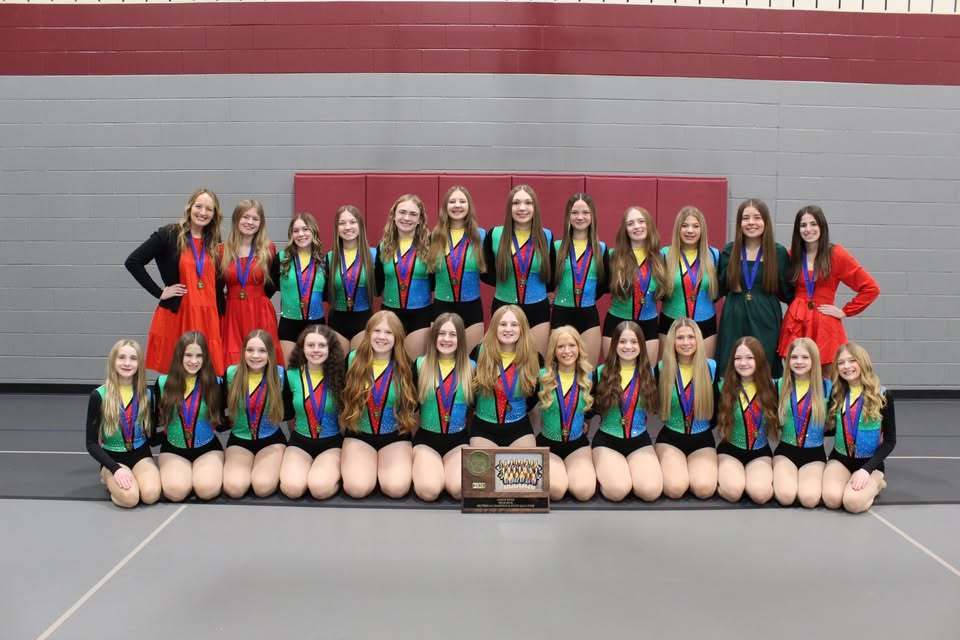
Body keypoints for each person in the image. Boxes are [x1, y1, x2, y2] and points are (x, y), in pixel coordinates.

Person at [125, 188, 225, 374]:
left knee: (206, 373)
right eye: (199, 206)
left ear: (215, 214)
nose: (203, 212)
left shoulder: (214, 240)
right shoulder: (169, 234)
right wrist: (160, 292)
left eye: (209, 209)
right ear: (189, 207)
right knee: (176, 372)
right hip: (180, 313)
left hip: (208, 316)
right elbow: (133, 262)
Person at [778, 205, 880, 371]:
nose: (808, 229)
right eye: (803, 225)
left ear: (822, 227)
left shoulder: (836, 254)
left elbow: (871, 288)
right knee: (795, 375)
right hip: (797, 321)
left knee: (827, 378)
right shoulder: (792, 256)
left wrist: (845, 311)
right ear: (797, 230)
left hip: (824, 323)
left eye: (813, 224)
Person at [340, 311, 418, 499]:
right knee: (356, 489)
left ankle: (382, 466)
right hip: (359, 435)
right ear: (368, 334)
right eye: (377, 331)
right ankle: (364, 466)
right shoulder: (352, 361)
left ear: (397, 337)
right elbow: (342, 401)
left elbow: (413, 409)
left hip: (394, 436)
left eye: (389, 333)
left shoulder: (407, 366)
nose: (382, 337)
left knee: (396, 489)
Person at [717, 199, 793, 377]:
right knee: (731, 366)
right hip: (734, 317)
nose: (751, 222)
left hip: (765, 317)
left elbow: (788, 293)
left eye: (757, 217)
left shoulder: (778, 253)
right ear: (739, 223)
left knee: (764, 366)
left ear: (765, 221)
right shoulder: (730, 250)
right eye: (746, 218)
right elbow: (719, 288)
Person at [591, 320, 662, 502]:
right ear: (614, 345)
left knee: (651, 492)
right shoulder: (599, 373)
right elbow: (586, 408)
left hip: (639, 440)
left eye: (633, 342)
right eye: (622, 342)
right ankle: (610, 472)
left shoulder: (653, 374)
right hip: (607, 440)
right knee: (617, 491)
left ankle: (630, 472)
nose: (628, 346)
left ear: (641, 345)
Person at [85, 339, 161, 508]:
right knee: (130, 499)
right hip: (113, 458)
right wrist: (114, 468)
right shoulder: (99, 395)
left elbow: (152, 438)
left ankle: (134, 477)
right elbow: (91, 443)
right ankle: (107, 477)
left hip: (141, 455)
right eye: (122, 358)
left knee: (151, 495)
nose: (127, 363)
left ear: (139, 363)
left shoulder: (148, 394)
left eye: (133, 358)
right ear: (113, 361)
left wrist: (174, 427)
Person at [822, 342, 896, 514]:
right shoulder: (837, 393)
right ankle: (848, 480)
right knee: (831, 500)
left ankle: (877, 483)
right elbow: (837, 428)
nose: (846, 366)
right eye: (841, 363)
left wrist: (866, 470)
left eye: (852, 360)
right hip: (840, 459)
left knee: (852, 503)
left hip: (869, 462)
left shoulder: (883, 395)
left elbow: (890, 441)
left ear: (862, 362)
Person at [482, 184, 555, 354]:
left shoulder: (546, 235)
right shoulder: (495, 234)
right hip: (503, 307)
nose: (522, 208)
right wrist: (508, 283)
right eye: (516, 203)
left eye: (528, 203)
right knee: (502, 362)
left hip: (538, 309)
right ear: (509, 207)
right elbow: (485, 272)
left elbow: (551, 275)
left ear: (535, 207)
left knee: (536, 364)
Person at [412, 313, 475, 501]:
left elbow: (477, 407)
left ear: (460, 339)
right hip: (426, 441)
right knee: (429, 491)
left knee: (459, 490)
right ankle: (432, 470)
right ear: (434, 337)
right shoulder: (420, 365)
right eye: (442, 333)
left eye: (453, 335)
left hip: (458, 442)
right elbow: (409, 406)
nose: (446, 339)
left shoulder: (472, 368)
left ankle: (448, 472)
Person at [156, 331, 225, 502]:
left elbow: (224, 418)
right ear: (180, 355)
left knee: (206, 490)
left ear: (205, 358)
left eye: (199, 356)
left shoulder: (215, 383)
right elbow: (152, 422)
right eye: (188, 355)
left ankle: (202, 473)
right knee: (175, 492)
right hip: (173, 449)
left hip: (207, 448)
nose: (193, 361)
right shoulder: (163, 383)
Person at [278, 325, 345, 500]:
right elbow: (288, 414)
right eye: (311, 345)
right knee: (292, 489)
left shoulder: (341, 376)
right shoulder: (290, 376)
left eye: (322, 346)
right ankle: (308, 469)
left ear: (331, 349)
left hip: (331, 442)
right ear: (302, 348)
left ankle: (333, 474)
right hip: (300, 441)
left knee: (319, 489)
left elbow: (347, 415)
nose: (316, 350)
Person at [222, 330, 291, 499]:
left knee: (262, 487)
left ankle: (264, 469)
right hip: (240, 440)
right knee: (234, 489)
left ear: (270, 354)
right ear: (243, 351)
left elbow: (289, 412)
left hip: (271, 441)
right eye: (250, 350)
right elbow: (219, 408)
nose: (255, 356)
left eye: (262, 351)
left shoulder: (280, 374)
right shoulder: (231, 374)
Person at [655, 318, 719, 499]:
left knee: (704, 489)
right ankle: (678, 470)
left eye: (691, 337)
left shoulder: (711, 367)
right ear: (672, 342)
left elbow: (720, 407)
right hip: (670, 438)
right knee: (675, 489)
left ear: (698, 340)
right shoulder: (661, 369)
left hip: (702, 439)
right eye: (680, 338)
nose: (686, 343)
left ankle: (693, 471)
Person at [536, 326, 596, 501]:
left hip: (577, 444)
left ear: (579, 348)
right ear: (553, 351)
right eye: (560, 346)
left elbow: (596, 407)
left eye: (572, 345)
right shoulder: (542, 376)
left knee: (584, 492)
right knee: (556, 490)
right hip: (548, 443)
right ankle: (559, 473)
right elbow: (527, 405)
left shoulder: (590, 376)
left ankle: (572, 471)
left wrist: (586, 421)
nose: (567, 351)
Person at [219, 199, 282, 366]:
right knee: (233, 363)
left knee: (262, 359)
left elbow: (274, 283)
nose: (250, 222)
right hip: (232, 313)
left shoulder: (268, 248)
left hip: (260, 311)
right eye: (245, 217)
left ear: (261, 223)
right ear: (236, 219)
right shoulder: (222, 250)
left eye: (255, 218)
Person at [716, 337, 778, 504]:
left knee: (760, 495)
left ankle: (750, 479)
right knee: (734, 492)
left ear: (759, 359)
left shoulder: (773, 387)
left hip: (759, 453)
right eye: (738, 358)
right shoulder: (722, 387)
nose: (743, 363)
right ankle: (726, 477)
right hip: (730, 451)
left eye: (750, 358)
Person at [470, 305, 541, 448]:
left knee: (524, 470)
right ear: (494, 327)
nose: (508, 329)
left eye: (514, 324)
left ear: (522, 328)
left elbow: (535, 397)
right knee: (483, 470)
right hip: (484, 429)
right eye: (503, 324)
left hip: (519, 429)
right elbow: (470, 391)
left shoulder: (534, 356)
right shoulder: (479, 352)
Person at [603, 206, 665, 366]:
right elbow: (600, 286)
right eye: (630, 223)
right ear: (625, 230)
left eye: (641, 221)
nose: (637, 226)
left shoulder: (661, 258)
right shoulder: (612, 256)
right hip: (616, 322)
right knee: (613, 376)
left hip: (649, 325)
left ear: (649, 225)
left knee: (647, 378)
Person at [773, 337, 831, 508]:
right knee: (786, 497)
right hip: (785, 452)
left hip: (814, 454)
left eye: (805, 357)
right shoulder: (779, 385)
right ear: (787, 360)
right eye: (794, 357)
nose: (799, 362)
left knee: (809, 499)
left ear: (814, 360)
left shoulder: (826, 387)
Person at [550, 194, 608, 365]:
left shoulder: (601, 248)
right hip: (561, 313)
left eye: (585, 212)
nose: (580, 217)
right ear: (568, 216)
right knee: (557, 370)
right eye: (575, 212)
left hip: (588, 316)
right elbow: (549, 280)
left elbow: (604, 284)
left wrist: (587, 296)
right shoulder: (557, 247)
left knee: (587, 372)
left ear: (592, 217)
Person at [428, 186, 487, 351]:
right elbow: (430, 276)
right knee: (439, 359)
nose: (457, 205)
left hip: (472, 307)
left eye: (462, 201)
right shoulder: (434, 236)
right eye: (452, 201)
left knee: (470, 362)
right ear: (445, 206)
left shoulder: (481, 235)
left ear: (469, 206)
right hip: (441, 306)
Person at [375, 194, 434, 358]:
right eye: (402, 212)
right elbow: (377, 285)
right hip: (390, 314)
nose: (406, 218)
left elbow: (436, 283)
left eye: (413, 214)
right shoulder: (383, 246)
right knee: (390, 366)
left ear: (420, 219)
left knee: (413, 367)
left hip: (421, 315)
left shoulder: (431, 244)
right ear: (394, 216)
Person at [658, 207, 720, 359]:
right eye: (685, 226)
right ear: (678, 229)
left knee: (704, 374)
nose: (690, 230)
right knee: (670, 374)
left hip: (705, 323)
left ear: (702, 230)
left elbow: (717, 291)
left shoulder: (714, 255)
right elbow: (659, 291)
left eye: (695, 226)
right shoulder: (665, 254)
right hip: (671, 323)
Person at [274, 213, 327, 364]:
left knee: (317, 370)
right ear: (291, 234)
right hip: (289, 324)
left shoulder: (324, 261)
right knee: (290, 371)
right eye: (296, 231)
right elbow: (268, 288)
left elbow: (328, 295)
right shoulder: (281, 259)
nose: (301, 234)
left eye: (305, 229)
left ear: (313, 232)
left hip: (316, 324)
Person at [326, 205, 377, 355]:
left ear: (360, 225)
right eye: (342, 223)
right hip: (337, 320)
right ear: (337, 228)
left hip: (363, 319)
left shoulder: (374, 255)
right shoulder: (329, 258)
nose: (348, 227)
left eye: (352, 222)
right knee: (338, 371)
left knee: (359, 370)